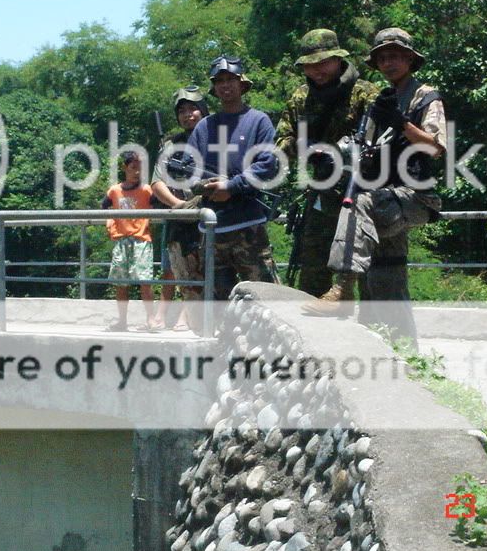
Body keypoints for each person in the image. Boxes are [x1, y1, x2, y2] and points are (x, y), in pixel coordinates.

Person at [305, 28, 446, 348]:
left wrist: (400, 123)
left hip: (415, 196)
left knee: (358, 204)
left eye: (395, 55)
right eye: (382, 57)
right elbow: (361, 146)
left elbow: (436, 148)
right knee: (385, 275)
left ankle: (341, 287)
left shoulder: (426, 96)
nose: (388, 62)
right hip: (386, 196)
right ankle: (402, 352)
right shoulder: (381, 99)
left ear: (410, 58)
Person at [275, 29, 379, 297]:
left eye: (322, 63)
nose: (316, 70)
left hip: (362, 193)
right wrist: (306, 149)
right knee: (313, 271)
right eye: (310, 65)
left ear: (338, 59)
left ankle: (374, 332)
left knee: (366, 273)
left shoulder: (365, 94)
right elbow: (281, 142)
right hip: (321, 193)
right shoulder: (300, 98)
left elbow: (385, 142)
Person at [187, 55, 280, 300]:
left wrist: (232, 186)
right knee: (216, 301)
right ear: (214, 88)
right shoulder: (204, 126)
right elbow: (188, 168)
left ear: (241, 83)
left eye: (230, 79)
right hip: (211, 229)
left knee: (266, 298)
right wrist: (203, 186)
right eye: (219, 81)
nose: (225, 85)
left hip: (248, 226)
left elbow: (268, 164)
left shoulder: (258, 121)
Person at [151, 86, 209, 332]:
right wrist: (179, 206)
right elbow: (156, 183)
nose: (188, 115)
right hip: (181, 216)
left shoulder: (217, 138)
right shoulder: (171, 145)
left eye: (193, 108)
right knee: (181, 269)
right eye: (182, 110)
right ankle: (185, 316)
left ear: (204, 110)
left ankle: (194, 318)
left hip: (211, 213)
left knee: (209, 268)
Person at [102, 151, 156, 332]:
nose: (137, 172)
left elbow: (158, 205)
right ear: (125, 168)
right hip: (122, 240)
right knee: (121, 283)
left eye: (140, 168)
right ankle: (122, 321)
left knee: (145, 281)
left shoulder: (147, 190)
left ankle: (151, 319)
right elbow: (104, 207)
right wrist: (109, 222)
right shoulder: (114, 190)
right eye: (133, 168)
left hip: (141, 239)